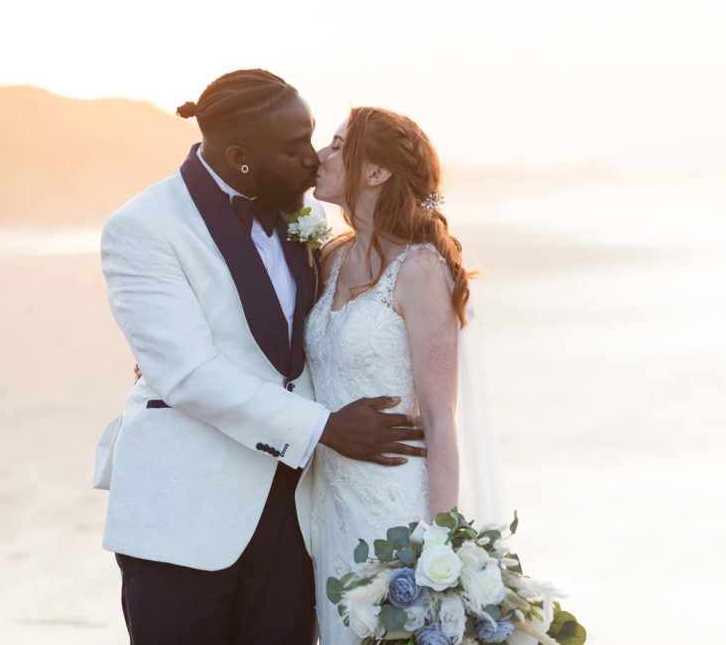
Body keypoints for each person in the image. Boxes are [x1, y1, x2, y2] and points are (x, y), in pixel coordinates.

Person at [95, 70, 425, 645]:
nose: (312, 159)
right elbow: (190, 374)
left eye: (315, 137)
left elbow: (323, 341)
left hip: (294, 515)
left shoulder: (310, 222)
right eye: (295, 147)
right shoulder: (143, 228)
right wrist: (326, 428)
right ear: (241, 157)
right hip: (184, 516)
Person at [306, 107, 475, 643]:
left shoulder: (421, 269)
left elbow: (441, 419)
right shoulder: (328, 258)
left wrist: (439, 550)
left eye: (336, 145)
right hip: (327, 506)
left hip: (396, 510)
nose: (320, 156)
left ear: (376, 172)